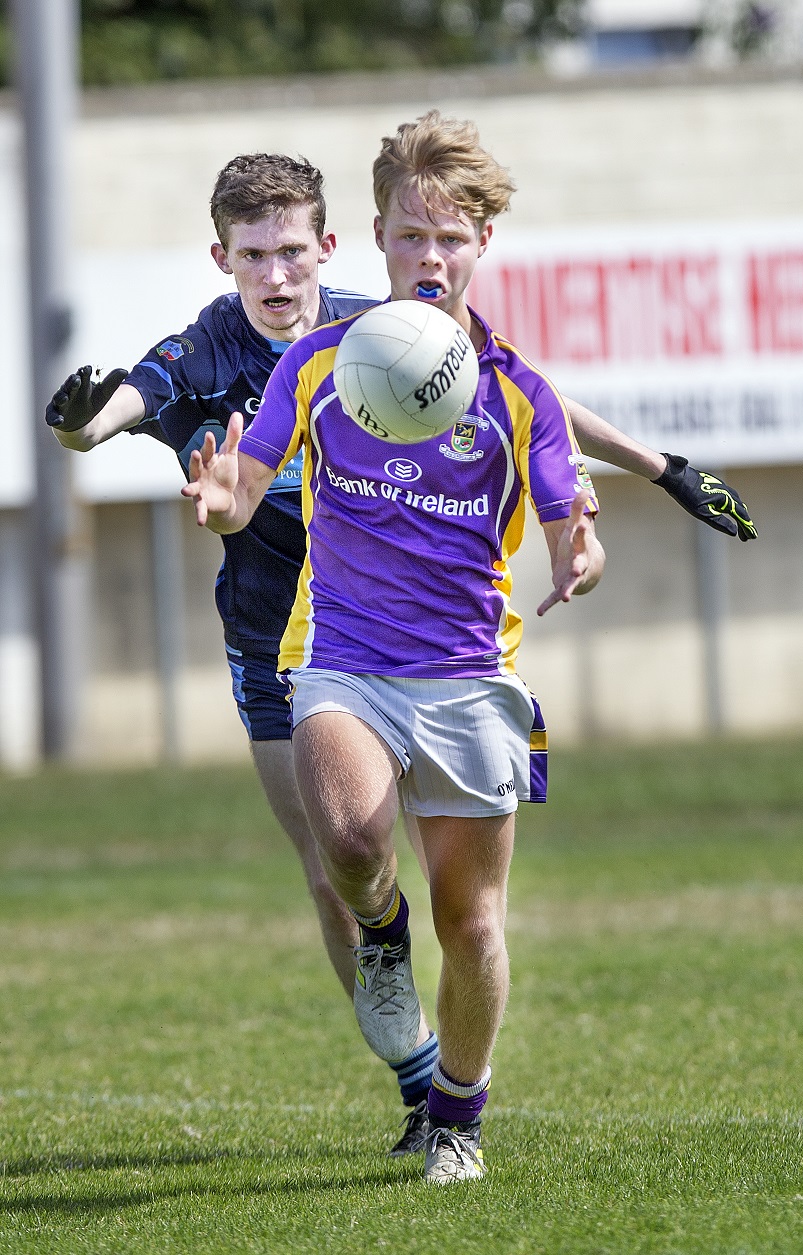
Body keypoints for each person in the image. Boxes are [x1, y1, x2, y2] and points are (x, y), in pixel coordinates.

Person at [47, 147, 756, 1167]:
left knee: (469, 921)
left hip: (457, 659)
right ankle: (410, 1053)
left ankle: (450, 1101)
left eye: (294, 251)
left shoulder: (407, 342)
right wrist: (121, 445)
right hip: (292, 633)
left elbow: (538, 408)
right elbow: (135, 398)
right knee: (335, 855)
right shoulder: (245, 353)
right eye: (256, 256)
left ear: (331, 248)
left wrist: (657, 473)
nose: (278, 275)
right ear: (227, 259)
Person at [183, 111, 601, 1186]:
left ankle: (457, 1113)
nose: (428, 257)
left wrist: (579, 550)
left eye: (449, 238)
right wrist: (221, 497)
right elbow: (244, 484)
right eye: (410, 237)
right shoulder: (321, 363)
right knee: (354, 841)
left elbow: (564, 517)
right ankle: (377, 930)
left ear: (480, 247)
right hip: (343, 662)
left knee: (472, 927)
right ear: (375, 238)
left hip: (467, 679)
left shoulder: (518, 393)